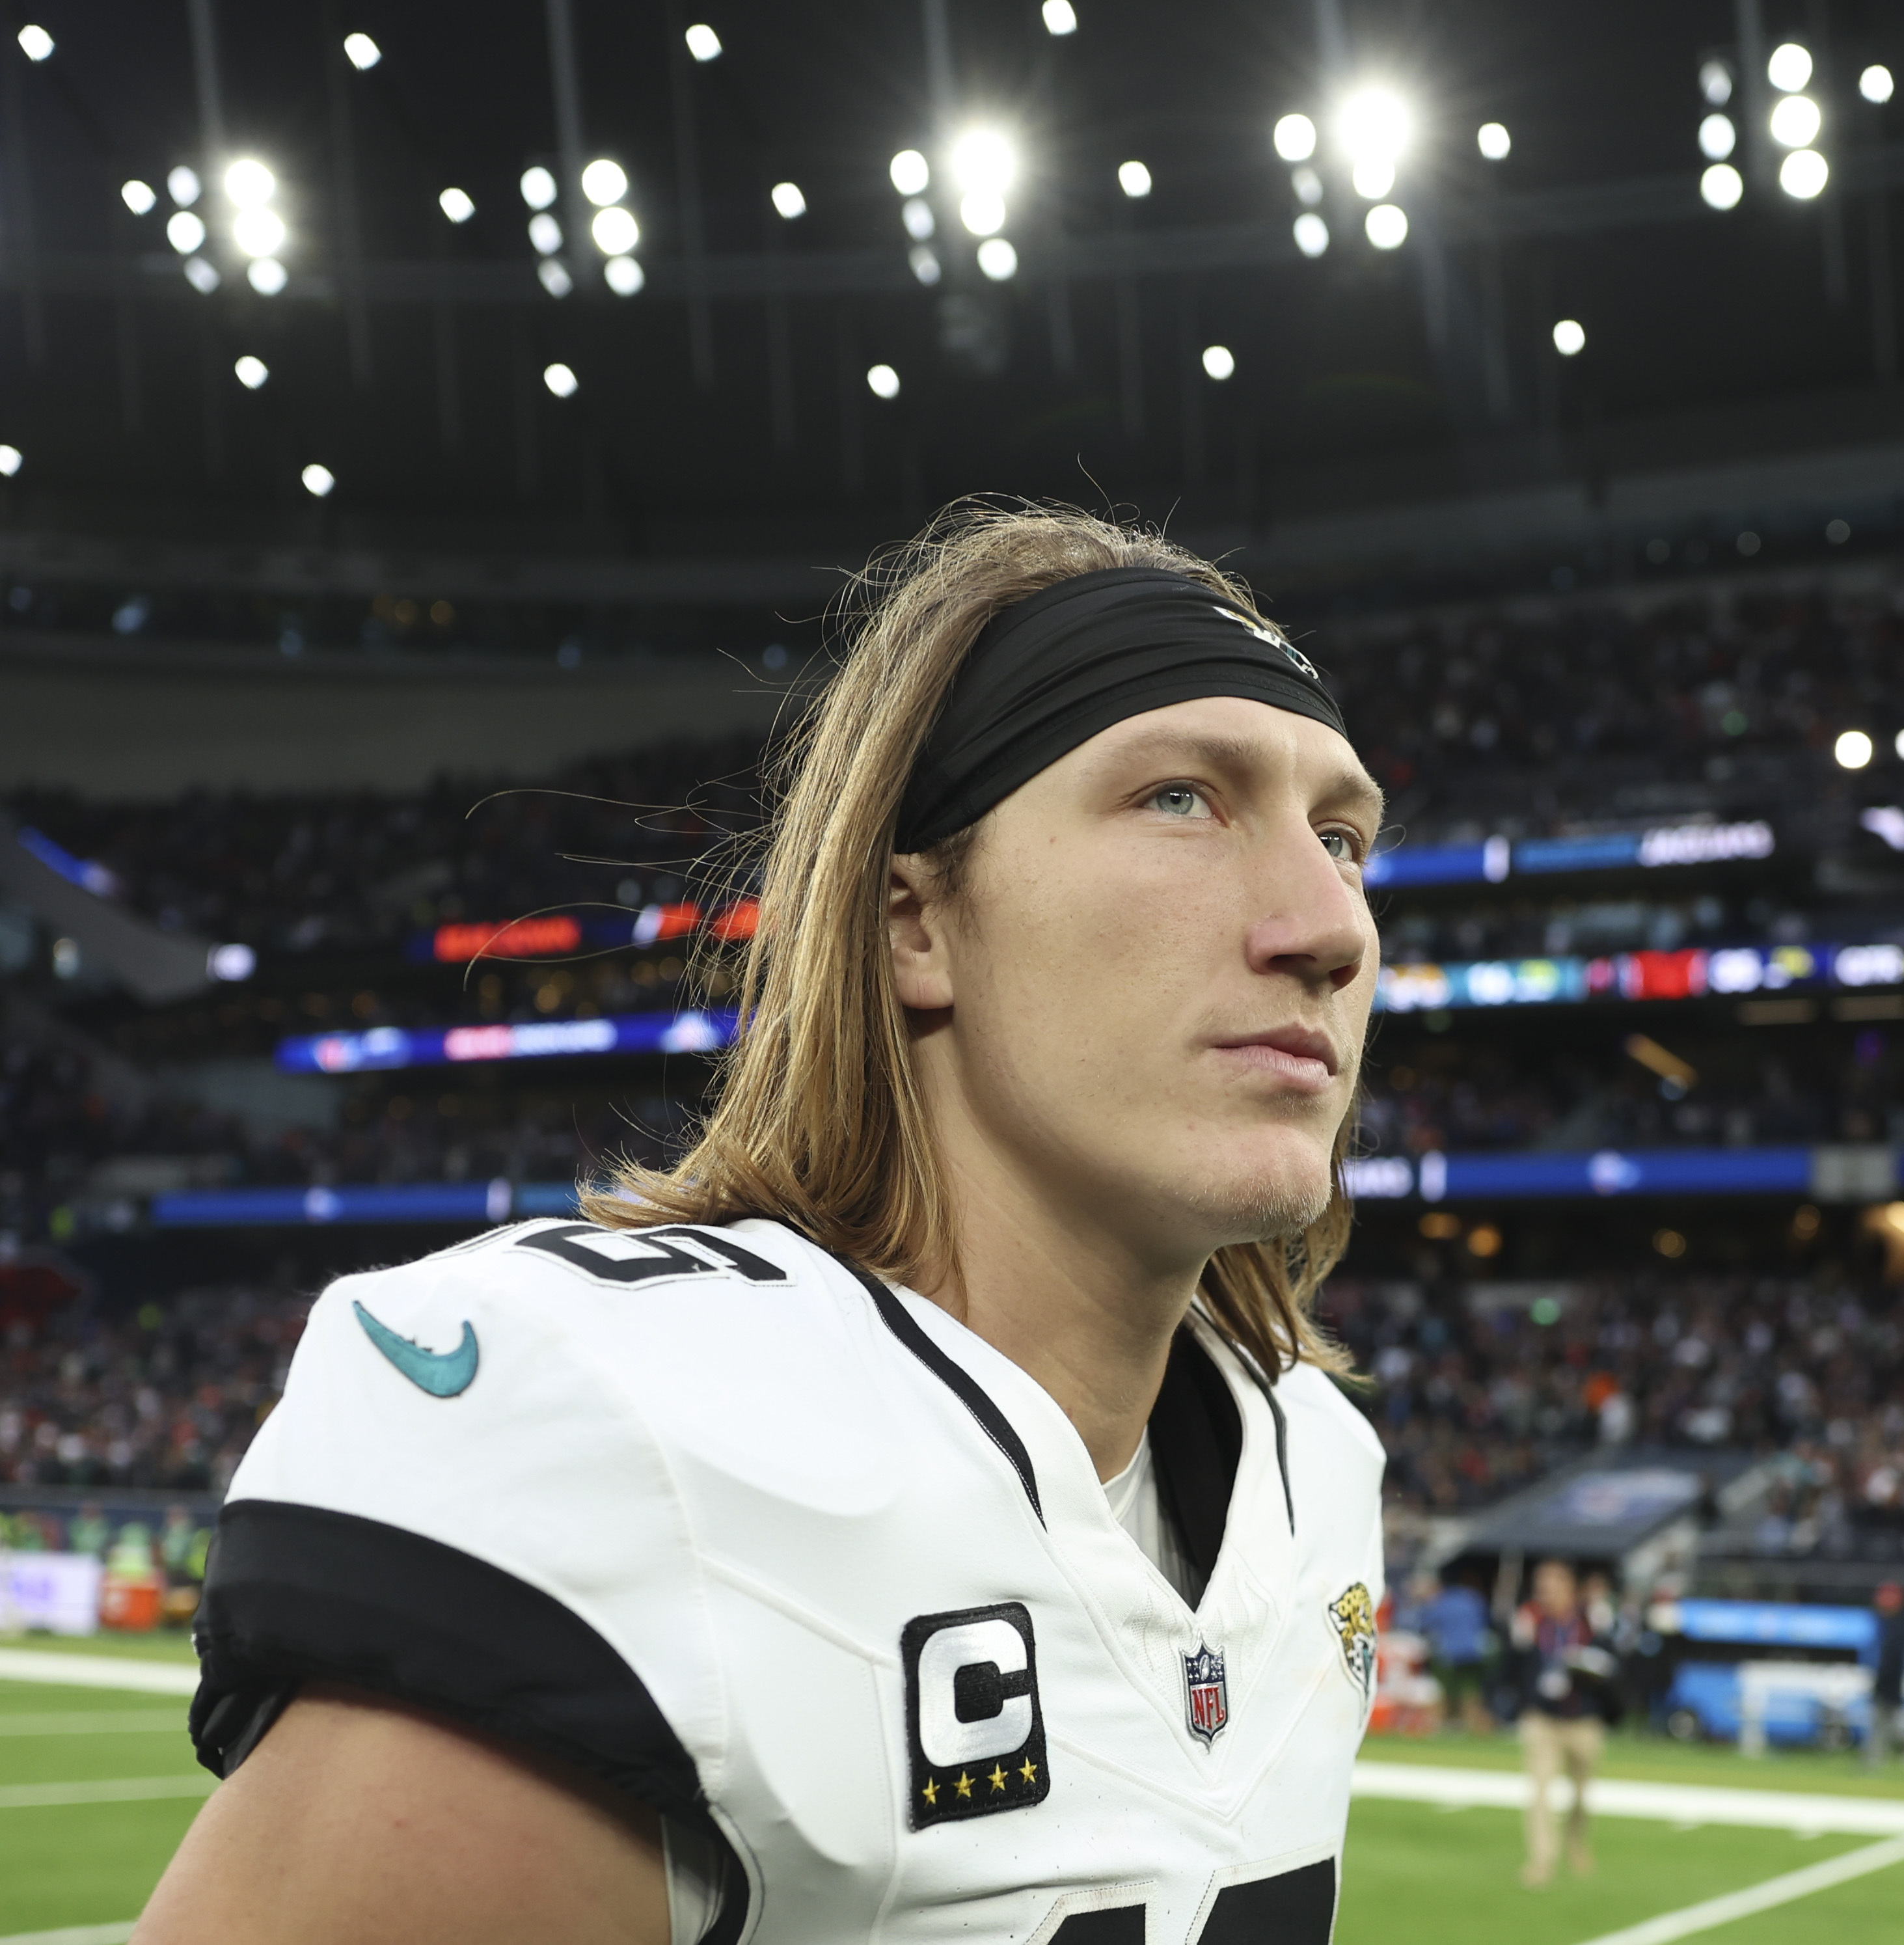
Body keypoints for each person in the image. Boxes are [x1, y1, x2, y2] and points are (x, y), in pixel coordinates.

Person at [140, 511, 1393, 1945]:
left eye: (1344, 836)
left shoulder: (1318, 1476)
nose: (1328, 923)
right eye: (1181, 799)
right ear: (914, 924)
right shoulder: (648, 1438)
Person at [1511, 1559, 1614, 1888]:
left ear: (1569, 1587)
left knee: (1581, 1793)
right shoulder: (1532, 1620)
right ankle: (1541, 1860)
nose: (1544, 1591)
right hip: (1543, 1719)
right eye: (1541, 1584)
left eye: (1552, 1584)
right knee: (1539, 1792)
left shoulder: (1589, 1620)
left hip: (1582, 1720)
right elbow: (1516, 1668)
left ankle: (1576, 1845)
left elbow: (1611, 1665)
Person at [1413, 1570, 1495, 1733]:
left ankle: (1436, 1729)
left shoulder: (1439, 1603)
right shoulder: (1471, 1597)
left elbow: (1426, 1627)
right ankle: (1482, 1731)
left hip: (1450, 1655)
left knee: (1442, 1694)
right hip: (1474, 1653)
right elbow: (1484, 1621)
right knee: (1471, 1694)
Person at [1863, 1581, 1904, 1769]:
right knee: (1883, 1725)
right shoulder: (1883, 1624)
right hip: (1884, 1683)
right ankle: (1874, 1760)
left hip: (1890, 1684)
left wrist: (1884, 1681)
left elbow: (1893, 1662)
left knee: (1893, 1727)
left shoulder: (1899, 1628)